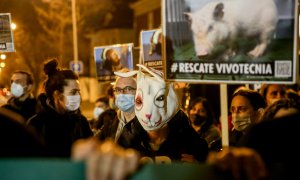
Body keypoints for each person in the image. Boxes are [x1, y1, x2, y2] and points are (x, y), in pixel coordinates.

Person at [117, 64, 208, 163]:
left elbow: (209, 165)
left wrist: (198, 166)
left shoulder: (187, 137)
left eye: (159, 99)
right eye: (139, 102)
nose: (148, 114)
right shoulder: (128, 137)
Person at [27, 58, 92, 157]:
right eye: (73, 92)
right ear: (57, 95)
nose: (78, 96)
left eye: (78, 91)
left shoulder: (81, 122)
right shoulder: (36, 125)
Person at [98, 69, 137, 142]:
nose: (122, 93)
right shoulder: (109, 123)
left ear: (138, 92)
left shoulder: (148, 123)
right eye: (118, 89)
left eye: (128, 89)